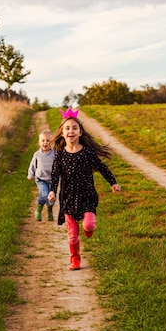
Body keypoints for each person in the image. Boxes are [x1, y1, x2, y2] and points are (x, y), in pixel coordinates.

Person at [48, 107, 121, 270]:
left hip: (87, 196)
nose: (71, 131)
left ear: (80, 132)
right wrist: (52, 191)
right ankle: (75, 259)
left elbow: (101, 167)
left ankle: (88, 230)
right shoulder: (59, 155)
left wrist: (113, 182)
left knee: (88, 226)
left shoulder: (87, 152)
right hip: (68, 198)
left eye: (75, 128)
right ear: (62, 133)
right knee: (72, 234)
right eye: (67, 128)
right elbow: (55, 175)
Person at [27, 129, 56, 221]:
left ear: (51, 142)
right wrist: (31, 175)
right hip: (41, 179)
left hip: (52, 180)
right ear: (39, 142)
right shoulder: (37, 154)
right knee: (44, 194)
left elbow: (58, 167)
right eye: (43, 140)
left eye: (48, 141)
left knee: (51, 198)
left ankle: (49, 211)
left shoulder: (54, 154)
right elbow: (32, 165)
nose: (45, 143)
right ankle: (38, 210)